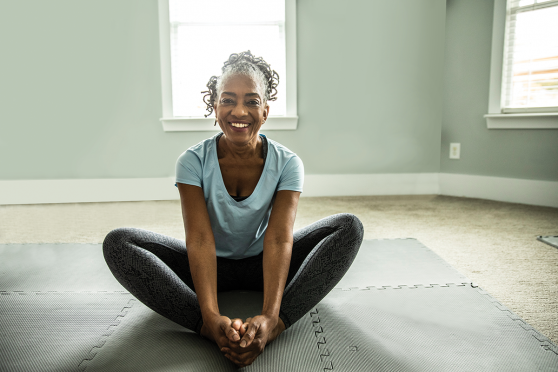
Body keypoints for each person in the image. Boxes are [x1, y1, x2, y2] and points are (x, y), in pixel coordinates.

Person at [103, 51, 364, 367]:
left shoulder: (288, 164)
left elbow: (280, 239)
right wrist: (212, 316)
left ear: (265, 112)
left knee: (349, 226)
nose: (239, 110)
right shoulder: (192, 162)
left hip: (263, 263)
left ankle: (278, 325)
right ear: (215, 107)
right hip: (208, 264)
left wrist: (269, 316)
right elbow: (199, 239)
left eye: (252, 102)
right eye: (228, 100)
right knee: (118, 244)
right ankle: (207, 328)